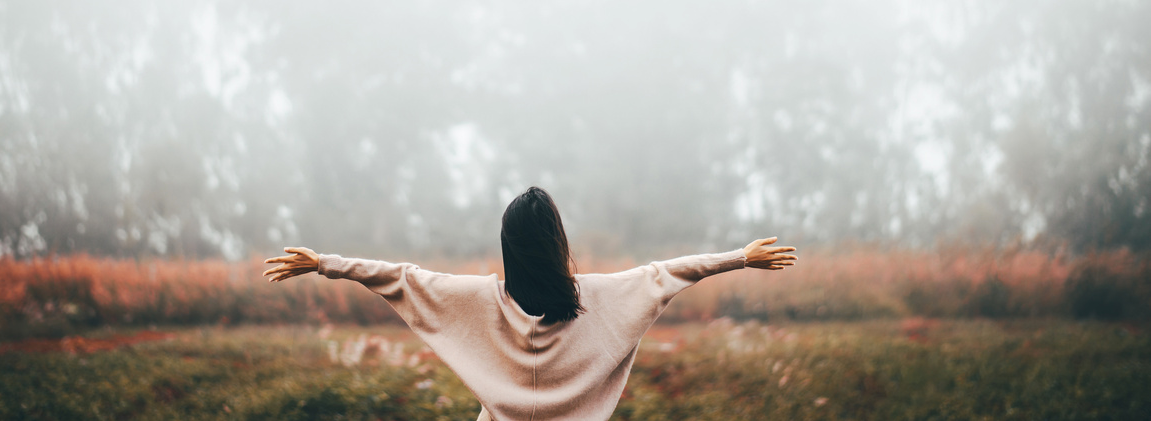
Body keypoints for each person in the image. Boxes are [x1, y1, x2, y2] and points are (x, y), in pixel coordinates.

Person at [264, 186, 796, 421]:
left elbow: (403, 278)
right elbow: (669, 273)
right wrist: (740, 258)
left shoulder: (480, 299)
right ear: (557, 243)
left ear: (509, 248)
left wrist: (324, 263)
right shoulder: (599, 298)